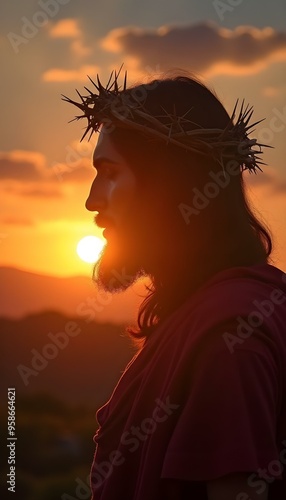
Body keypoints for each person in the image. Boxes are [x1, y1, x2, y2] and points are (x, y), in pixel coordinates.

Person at [64, 69, 286, 499]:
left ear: (167, 186)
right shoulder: (206, 313)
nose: (92, 199)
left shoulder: (228, 333)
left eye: (109, 173)